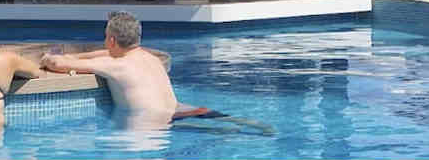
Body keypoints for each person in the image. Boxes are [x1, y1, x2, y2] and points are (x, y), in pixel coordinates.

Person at [41, 12, 272, 133]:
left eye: (105, 37)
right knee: (222, 126)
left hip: (148, 127)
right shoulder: (150, 59)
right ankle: (251, 126)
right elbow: (103, 54)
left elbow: (57, 65)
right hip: (176, 112)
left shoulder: (115, 66)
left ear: (111, 40)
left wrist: (52, 57)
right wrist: (77, 57)